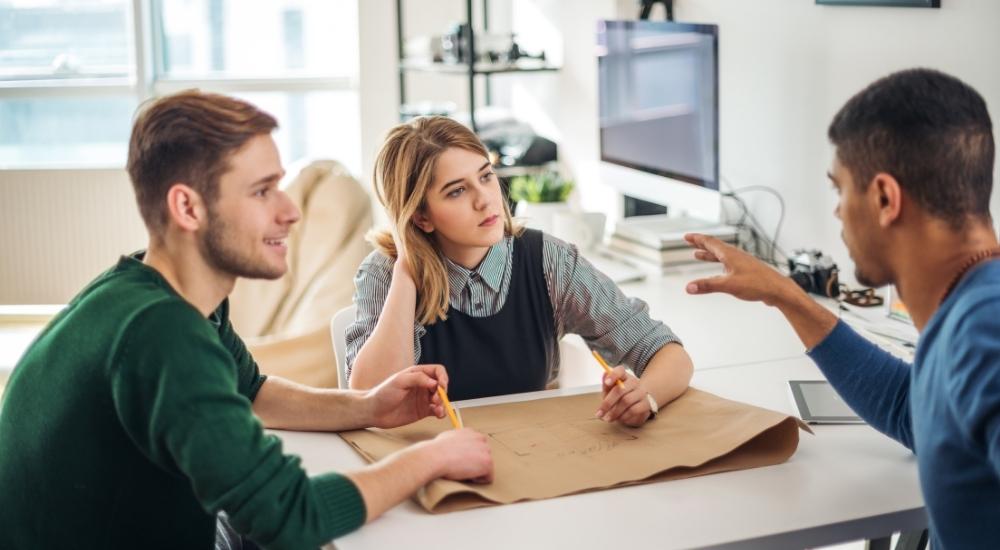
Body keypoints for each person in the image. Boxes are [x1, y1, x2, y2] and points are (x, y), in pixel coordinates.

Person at [0, 90, 493, 550]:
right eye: (262, 192)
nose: (290, 211)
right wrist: (433, 458)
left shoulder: (160, 293)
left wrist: (367, 406)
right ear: (187, 207)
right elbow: (289, 516)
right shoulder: (161, 334)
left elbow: (252, 391)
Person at [684, 68, 998, 548]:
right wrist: (784, 295)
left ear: (885, 198)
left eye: (840, 189)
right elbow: (913, 409)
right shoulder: (968, 312)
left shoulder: (985, 332)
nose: (836, 211)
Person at [346, 116, 693, 427]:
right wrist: (408, 269)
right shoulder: (384, 273)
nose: (485, 200)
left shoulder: (547, 260)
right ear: (420, 217)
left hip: (529, 458)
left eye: (486, 176)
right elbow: (367, 399)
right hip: (431, 467)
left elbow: (666, 352)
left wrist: (645, 395)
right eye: (456, 191)